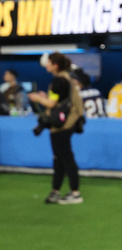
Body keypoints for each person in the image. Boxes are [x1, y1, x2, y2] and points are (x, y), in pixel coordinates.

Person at [28, 52, 84, 205]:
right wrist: (45, 97)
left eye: (49, 62)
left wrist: (38, 98)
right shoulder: (66, 78)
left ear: (55, 65)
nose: (46, 65)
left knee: (65, 158)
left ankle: (75, 193)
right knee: (60, 159)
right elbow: (57, 100)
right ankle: (56, 191)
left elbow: (52, 104)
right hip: (67, 123)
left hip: (62, 125)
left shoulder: (59, 80)